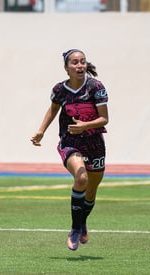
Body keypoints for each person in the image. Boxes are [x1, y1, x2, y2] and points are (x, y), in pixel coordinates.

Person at [31, 49, 109, 251]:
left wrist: (84, 125)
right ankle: (75, 229)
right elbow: (53, 109)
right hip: (70, 141)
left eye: (82, 62)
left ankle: (82, 222)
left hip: (95, 144)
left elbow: (104, 119)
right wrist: (41, 131)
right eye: (74, 62)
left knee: (90, 192)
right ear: (66, 68)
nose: (80, 65)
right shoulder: (59, 90)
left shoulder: (96, 87)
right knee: (81, 178)